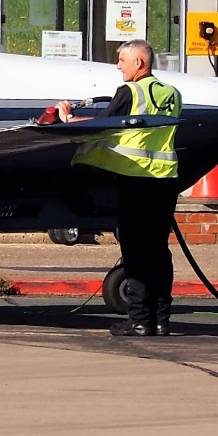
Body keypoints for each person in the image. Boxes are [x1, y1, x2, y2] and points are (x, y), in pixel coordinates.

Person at [57, 39, 181, 337]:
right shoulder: (172, 93)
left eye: (122, 59)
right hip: (165, 180)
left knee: (136, 252)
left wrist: (68, 119)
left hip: (135, 179)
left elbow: (103, 124)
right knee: (158, 251)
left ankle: (138, 320)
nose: (118, 65)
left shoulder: (130, 91)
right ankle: (161, 320)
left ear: (139, 63)